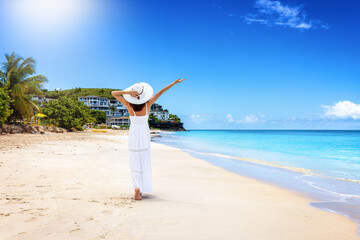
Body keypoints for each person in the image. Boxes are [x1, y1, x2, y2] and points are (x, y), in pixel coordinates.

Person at [111, 78, 185, 200]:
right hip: (144, 135)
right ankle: (142, 188)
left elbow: (114, 93)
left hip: (133, 134)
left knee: (134, 160)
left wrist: (129, 93)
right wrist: (173, 83)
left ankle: (137, 187)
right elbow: (160, 92)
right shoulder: (147, 105)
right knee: (144, 161)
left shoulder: (129, 105)